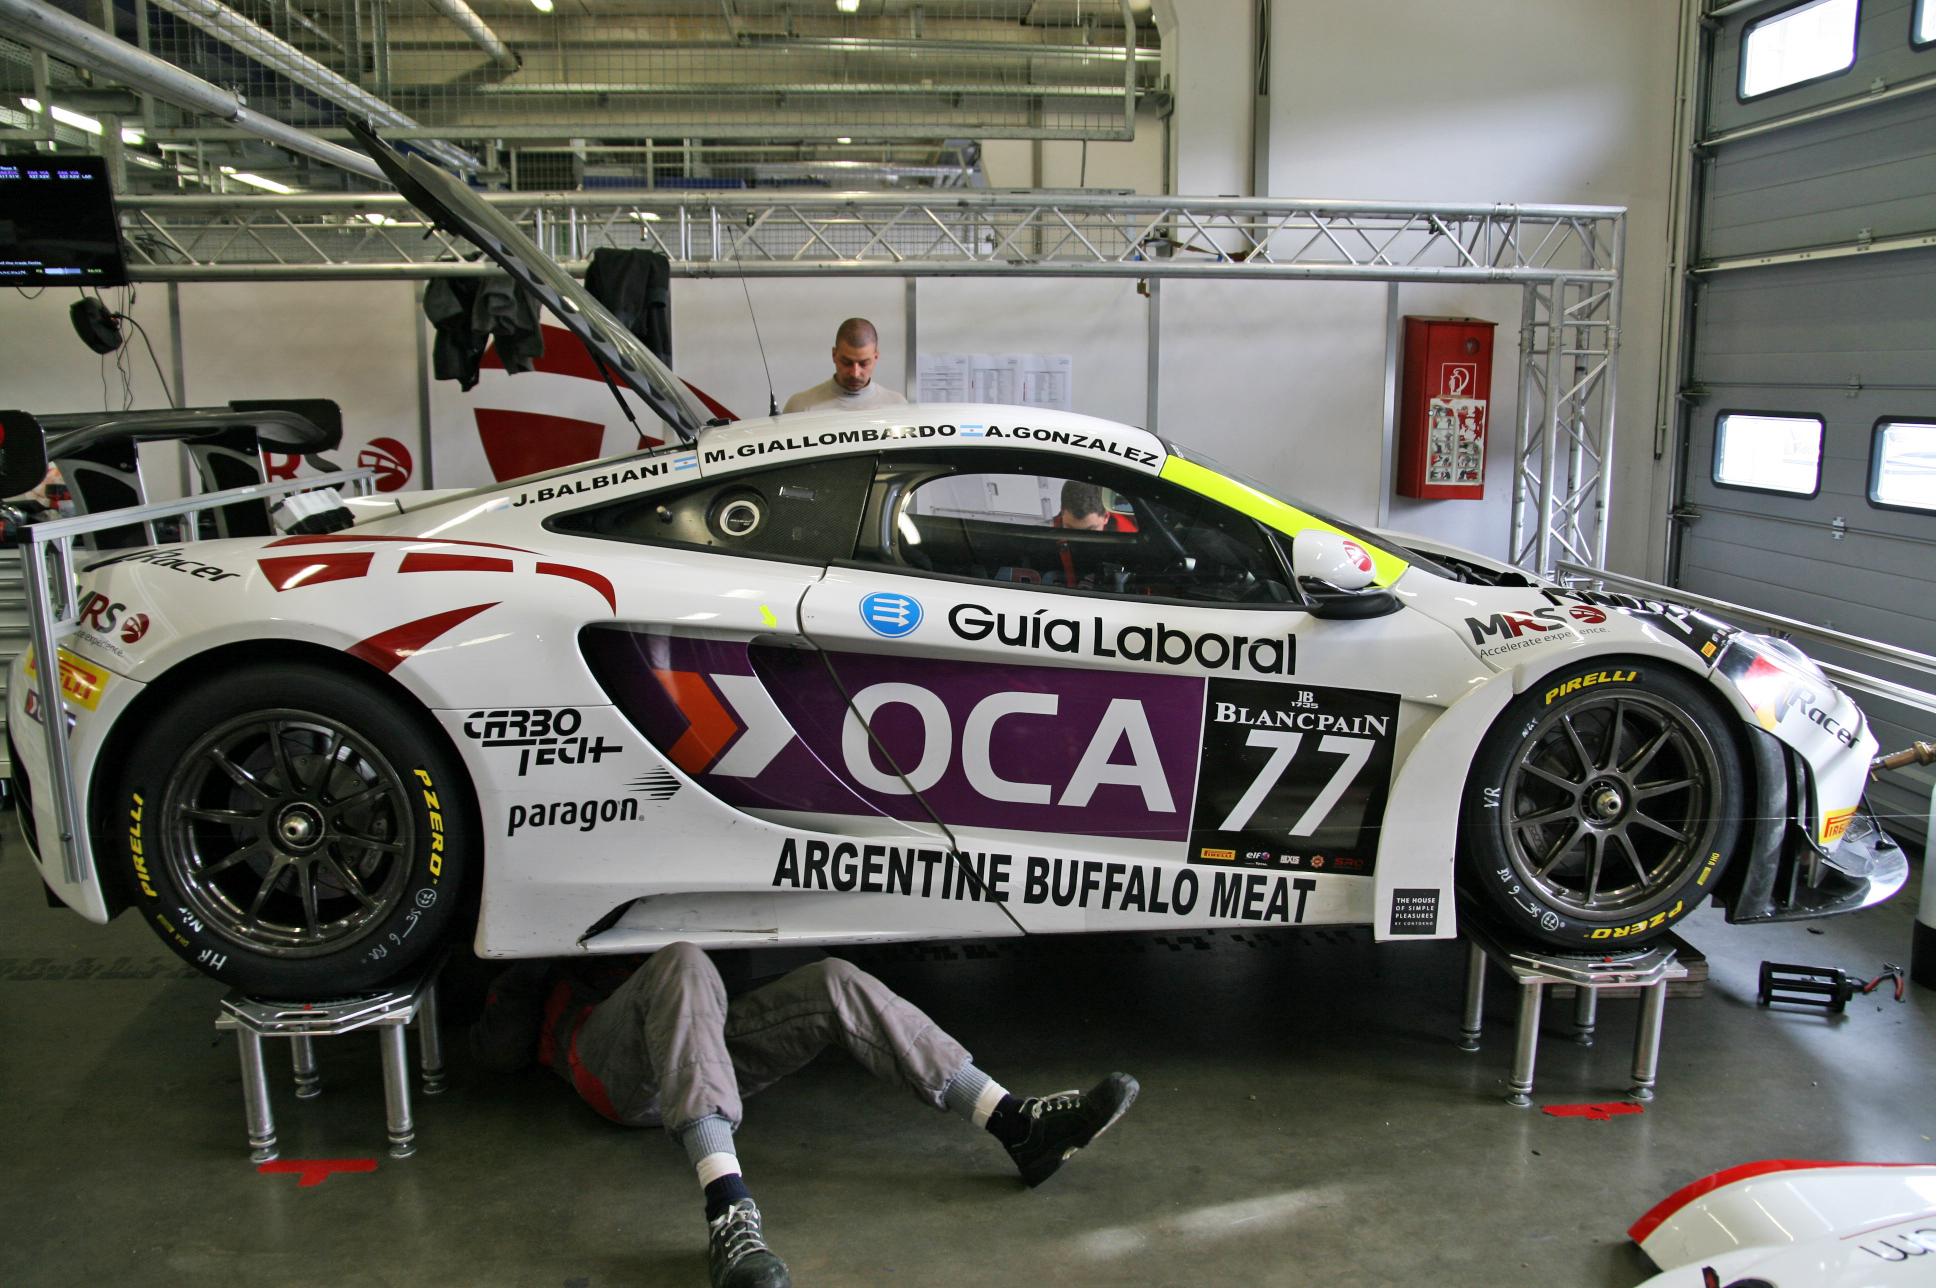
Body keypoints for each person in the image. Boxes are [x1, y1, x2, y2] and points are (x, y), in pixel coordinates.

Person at [470, 943, 1138, 1288]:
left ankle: (1015, 1123)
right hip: (610, 1066)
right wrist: (537, 967)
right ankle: (729, 1217)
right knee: (682, 962)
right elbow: (497, 1051)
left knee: (832, 980)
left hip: (704, 1046)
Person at [781, 317, 909, 413]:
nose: (855, 373)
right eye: (846, 363)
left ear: (876, 357)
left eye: (864, 364)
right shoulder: (801, 407)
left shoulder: (897, 405)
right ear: (834, 355)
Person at [1053, 480, 1138, 532]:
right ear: (1062, 512)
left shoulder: (1128, 539)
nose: (1079, 539)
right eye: (1070, 528)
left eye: (1090, 530)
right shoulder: (1052, 530)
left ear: (1106, 517)